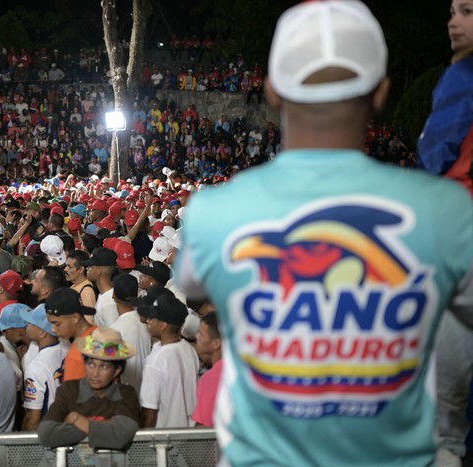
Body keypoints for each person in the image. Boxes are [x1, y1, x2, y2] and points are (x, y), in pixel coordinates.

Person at [174, 2, 473, 465]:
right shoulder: (448, 211)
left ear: (272, 93)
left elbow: (195, 284)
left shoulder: (214, 211)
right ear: (380, 93)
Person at [37, 327, 140, 450]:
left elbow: (119, 437)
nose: (95, 373)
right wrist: (104, 426)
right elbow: (46, 434)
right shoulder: (69, 390)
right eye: (91, 364)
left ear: (116, 370)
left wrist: (76, 419)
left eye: (104, 367)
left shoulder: (126, 394)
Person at [418, 0, 473, 196]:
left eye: (466, 12)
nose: (452, 21)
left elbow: (435, 155)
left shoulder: (462, 75)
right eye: (452, 12)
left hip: (458, 205)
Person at [138, 295, 198, 428]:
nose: (148, 321)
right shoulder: (189, 349)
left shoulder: (156, 359)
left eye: (152, 318)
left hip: (165, 439)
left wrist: (141, 442)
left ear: (164, 325)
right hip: (190, 434)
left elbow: (150, 412)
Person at [20, 304, 67, 431]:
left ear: (42, 333)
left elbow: (32, 417)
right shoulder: (68, 349)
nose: (26, 326)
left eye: (31, 323)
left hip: (48, 434)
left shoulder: (36, 367)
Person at [45, 288, 97, 382]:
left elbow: (73, 395)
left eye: (57, 324)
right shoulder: (104, 336)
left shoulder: (76, 357)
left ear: (74, 317)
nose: (53, 329)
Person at [191, 312, 222, 428]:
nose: (196, 336)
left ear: (216, 344)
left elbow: (204, 432)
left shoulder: (210, 380)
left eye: (201, 333)